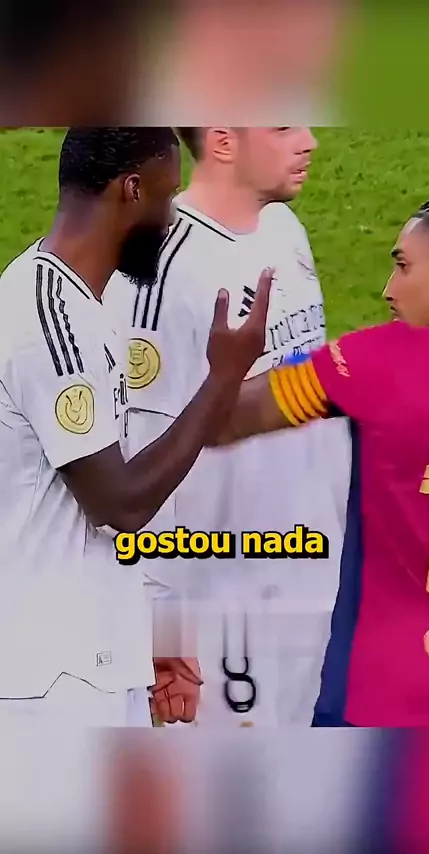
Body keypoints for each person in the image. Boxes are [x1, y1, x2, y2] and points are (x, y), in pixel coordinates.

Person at [0, 127, 272, 726]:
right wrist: (223, 380)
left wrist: (144, 634)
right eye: (165, 197)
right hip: (49, 679)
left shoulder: (85, 307)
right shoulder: (47, 319)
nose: (170, 220)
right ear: (130, 189)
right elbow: (119, 503)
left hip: (92, 659)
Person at [207, 189, 429, 727]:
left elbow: (222, 421)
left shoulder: (385, 359)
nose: (388, 289)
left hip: (383, 694)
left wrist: (225, 373)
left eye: (404, 266)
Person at [109, 126, 351, 726]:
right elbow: (141, 459)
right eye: (283, 127)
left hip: (314, 571)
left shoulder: (282, 228)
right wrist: (164, 623)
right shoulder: (158, 269)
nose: (309, 141)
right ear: (222, 141)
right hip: (227, 604)